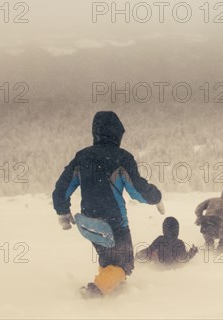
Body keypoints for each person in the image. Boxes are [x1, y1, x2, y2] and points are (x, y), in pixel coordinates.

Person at [52, 111, 164, 297]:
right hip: (114, 224)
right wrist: (156, 197)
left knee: (107, 257)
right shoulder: (122, 158)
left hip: (88, 223)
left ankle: (112, 286)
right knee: (125, 264)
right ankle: (95, 291)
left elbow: (62, 187)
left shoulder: (82, 157)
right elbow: (137, 190)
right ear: (117, 133)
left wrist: (62, 212)